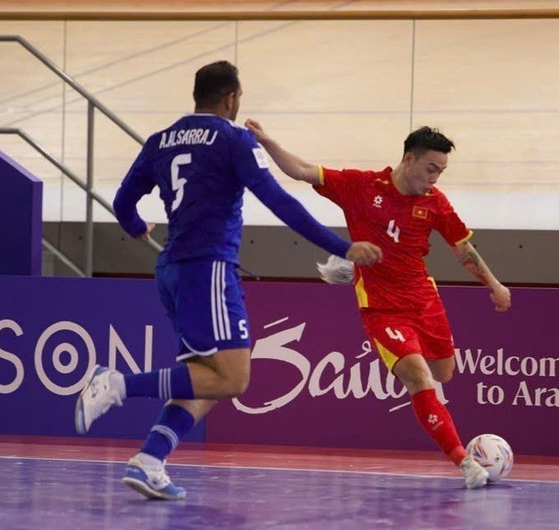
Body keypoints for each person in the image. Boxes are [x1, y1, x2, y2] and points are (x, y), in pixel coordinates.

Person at [73, 61, 382, 500]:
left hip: (172, 270)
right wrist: (340, 245)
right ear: (231, 98)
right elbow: (277, 200)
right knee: (233, 380)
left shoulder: (161, 140)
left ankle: (149, 460)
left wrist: (136, 225)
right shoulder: (232, 137)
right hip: (209, 267)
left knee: (206, 377)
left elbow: (124, 200)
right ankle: (116, 384)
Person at [245, 120, 511, 489]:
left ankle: (347, 265)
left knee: (444, 373)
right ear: (408, 159)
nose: (435, 178)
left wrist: (493, 284)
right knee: (419, 378)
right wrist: (268, 142)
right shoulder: (361, 186)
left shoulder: (435, 203)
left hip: (423, 299)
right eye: (431, 168)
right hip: (382, 308)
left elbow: (462, 249)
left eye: (441, 171)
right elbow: (304, 171)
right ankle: (464, 463)